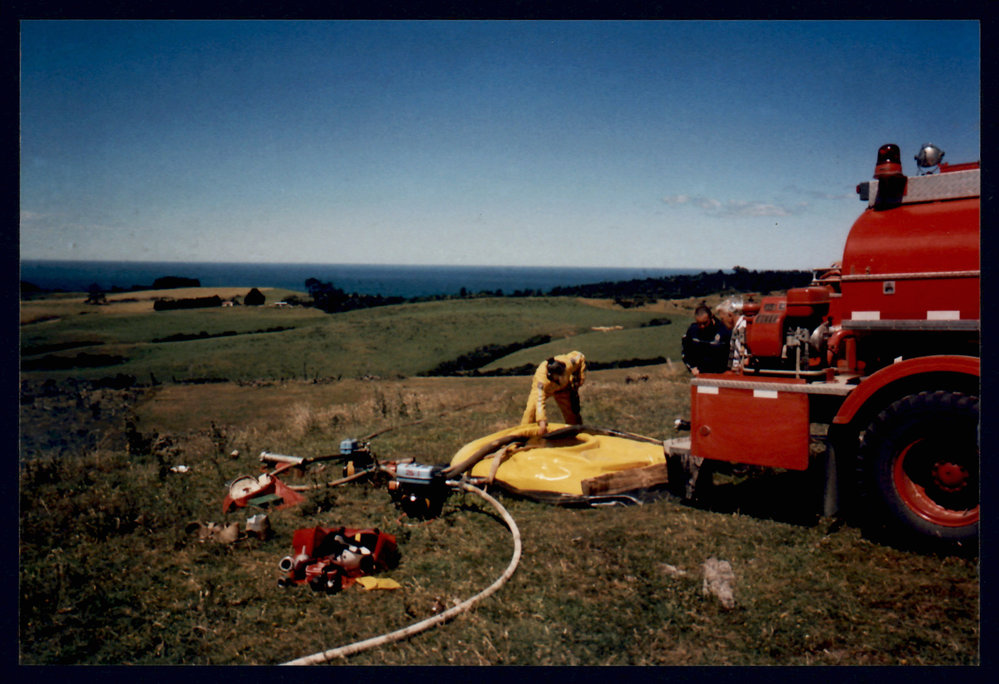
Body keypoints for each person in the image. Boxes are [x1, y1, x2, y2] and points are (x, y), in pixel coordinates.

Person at [520, 351, 586, 435]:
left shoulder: (569, 363)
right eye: (560, 377)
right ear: (552, 376)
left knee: (572, 412)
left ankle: (576, 434)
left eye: (564, 375)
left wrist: (579, 380)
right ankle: (522, 436)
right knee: (531, 412)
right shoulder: (542, 382)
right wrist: (542, 422)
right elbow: (539, 401)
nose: (563, 377)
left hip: (564, 388)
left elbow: (580, 356)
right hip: (545, 390)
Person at [681, 305, 731, 375]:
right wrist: (692, 367)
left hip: (721, 374)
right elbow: (686, 352)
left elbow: (732, 352)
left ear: (711, 317)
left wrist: (729, 370)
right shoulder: (692, 331)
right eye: (699, 324)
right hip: (701, 374)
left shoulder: (724, 331)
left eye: (705, 323)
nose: (702, 326)